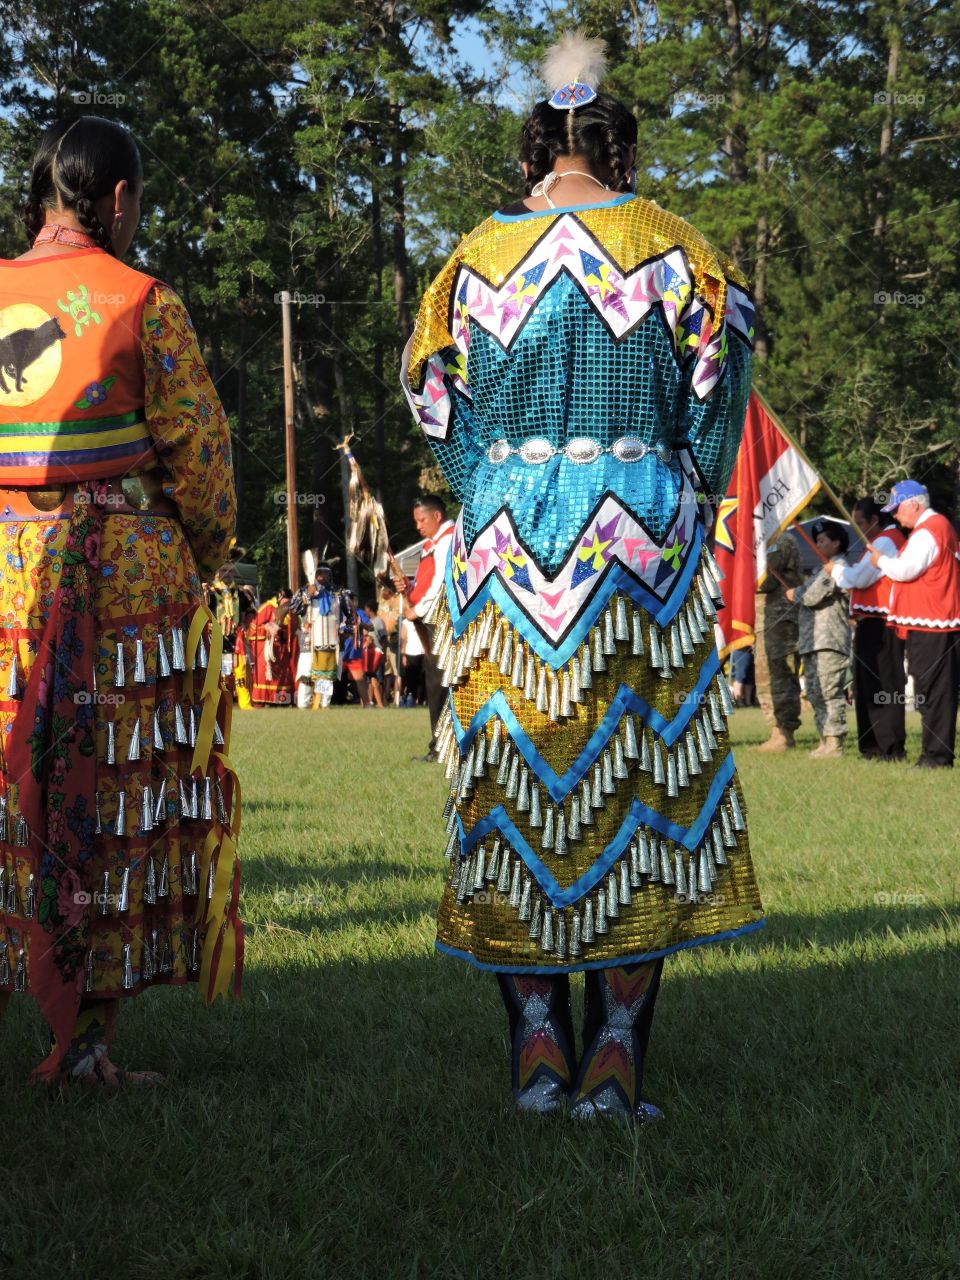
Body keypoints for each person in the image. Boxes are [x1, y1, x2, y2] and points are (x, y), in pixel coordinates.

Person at [399, 33, 763, 1123]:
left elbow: (430, 391)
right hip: (636, 555)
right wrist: (672, 478)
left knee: (516, 788)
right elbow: (718, 397)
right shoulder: (677, 248)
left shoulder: (468, 262)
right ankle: (616, 1061)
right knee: (636, 800)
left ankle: (537, 1056)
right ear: (621, 146)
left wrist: (499, 485)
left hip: (507, 556)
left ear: (531, 154)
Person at [0, 116, 242, 1087]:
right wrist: (202, 548)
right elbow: (201, 457)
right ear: (117, 201)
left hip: (5, 571)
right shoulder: (145, 299)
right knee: (102, 793)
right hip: (120, 584)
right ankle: (88, 1041)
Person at [870, 480, 960, 768]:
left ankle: (936, 756)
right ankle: (935, 753)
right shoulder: (935, 528)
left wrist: (881, 561)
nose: (895, 516)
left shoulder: (927, 532)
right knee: (932, 690)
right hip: (934, 623)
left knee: (933, 691)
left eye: (897, 509)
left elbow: (905, 570)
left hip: (933, 623)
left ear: (913, 504)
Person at [827, 497, 906, 759]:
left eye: (860, 522)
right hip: (870, 621)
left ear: (875, 520)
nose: (857, 528)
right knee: (866, 686)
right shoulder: (880, 540)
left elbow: (859, 578)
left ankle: (888, 747)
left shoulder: (885, 541)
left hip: (881, 622)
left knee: (882, 685)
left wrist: (837, 571)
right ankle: (872, 746)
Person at [395, 495, 454, 760]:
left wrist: (416, 609)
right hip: (429, 620)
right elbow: (425, 583)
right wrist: (407, 589)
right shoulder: (433, 544)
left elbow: (441, 583)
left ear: (437, 516)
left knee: (439, 684)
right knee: (435, 682)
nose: (418, 526)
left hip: (441, 620)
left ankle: (442, 747)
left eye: (422, 520)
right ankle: (439, 744)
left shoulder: (448, 541)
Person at [785, 520, 851, 757]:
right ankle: (825, 738)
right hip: (813, 641)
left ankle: (835, 742)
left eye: (823, 540)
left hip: (830, 641)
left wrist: (795, 593)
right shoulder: (821, 569)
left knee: (829, 690)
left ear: (837, 543)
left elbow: (811, 596)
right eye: (817, 540)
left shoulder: (838, 566)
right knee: (814, 691)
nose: (818, 544)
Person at [754, 534, 803, 750]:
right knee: (764, 674)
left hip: (781, 618)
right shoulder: (761, 537)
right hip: (763, 618)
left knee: (781, 673)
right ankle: (774, 729)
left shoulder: (781, 539)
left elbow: (765, 579)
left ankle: (785, 732)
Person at [289, 555, 350, 709]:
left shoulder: (339, 592)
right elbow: (293, 608)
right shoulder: (305, 590)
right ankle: (303, 706)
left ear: (330, 575)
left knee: (326, 677)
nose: (322, 576)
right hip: (309, 642)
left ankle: (323, 706)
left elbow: (351, 616)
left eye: (325, 573)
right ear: (314, 575)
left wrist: (346, 632)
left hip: (331, 642)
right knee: (307, 675)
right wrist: (307, 595)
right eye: (319, 573)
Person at [243, 587, 297, 706]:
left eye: (288, 601)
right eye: (285, 600)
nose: (286, 603)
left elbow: (293, 631)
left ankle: (281, 701)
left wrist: (283, 631)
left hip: (282, 653)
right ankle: (260, 701)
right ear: (279, 598)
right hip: (266, 651)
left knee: (282, 678)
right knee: (264, 676)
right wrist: (266, 628)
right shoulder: (267, 608)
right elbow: (252, 630)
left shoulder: (291, 611)